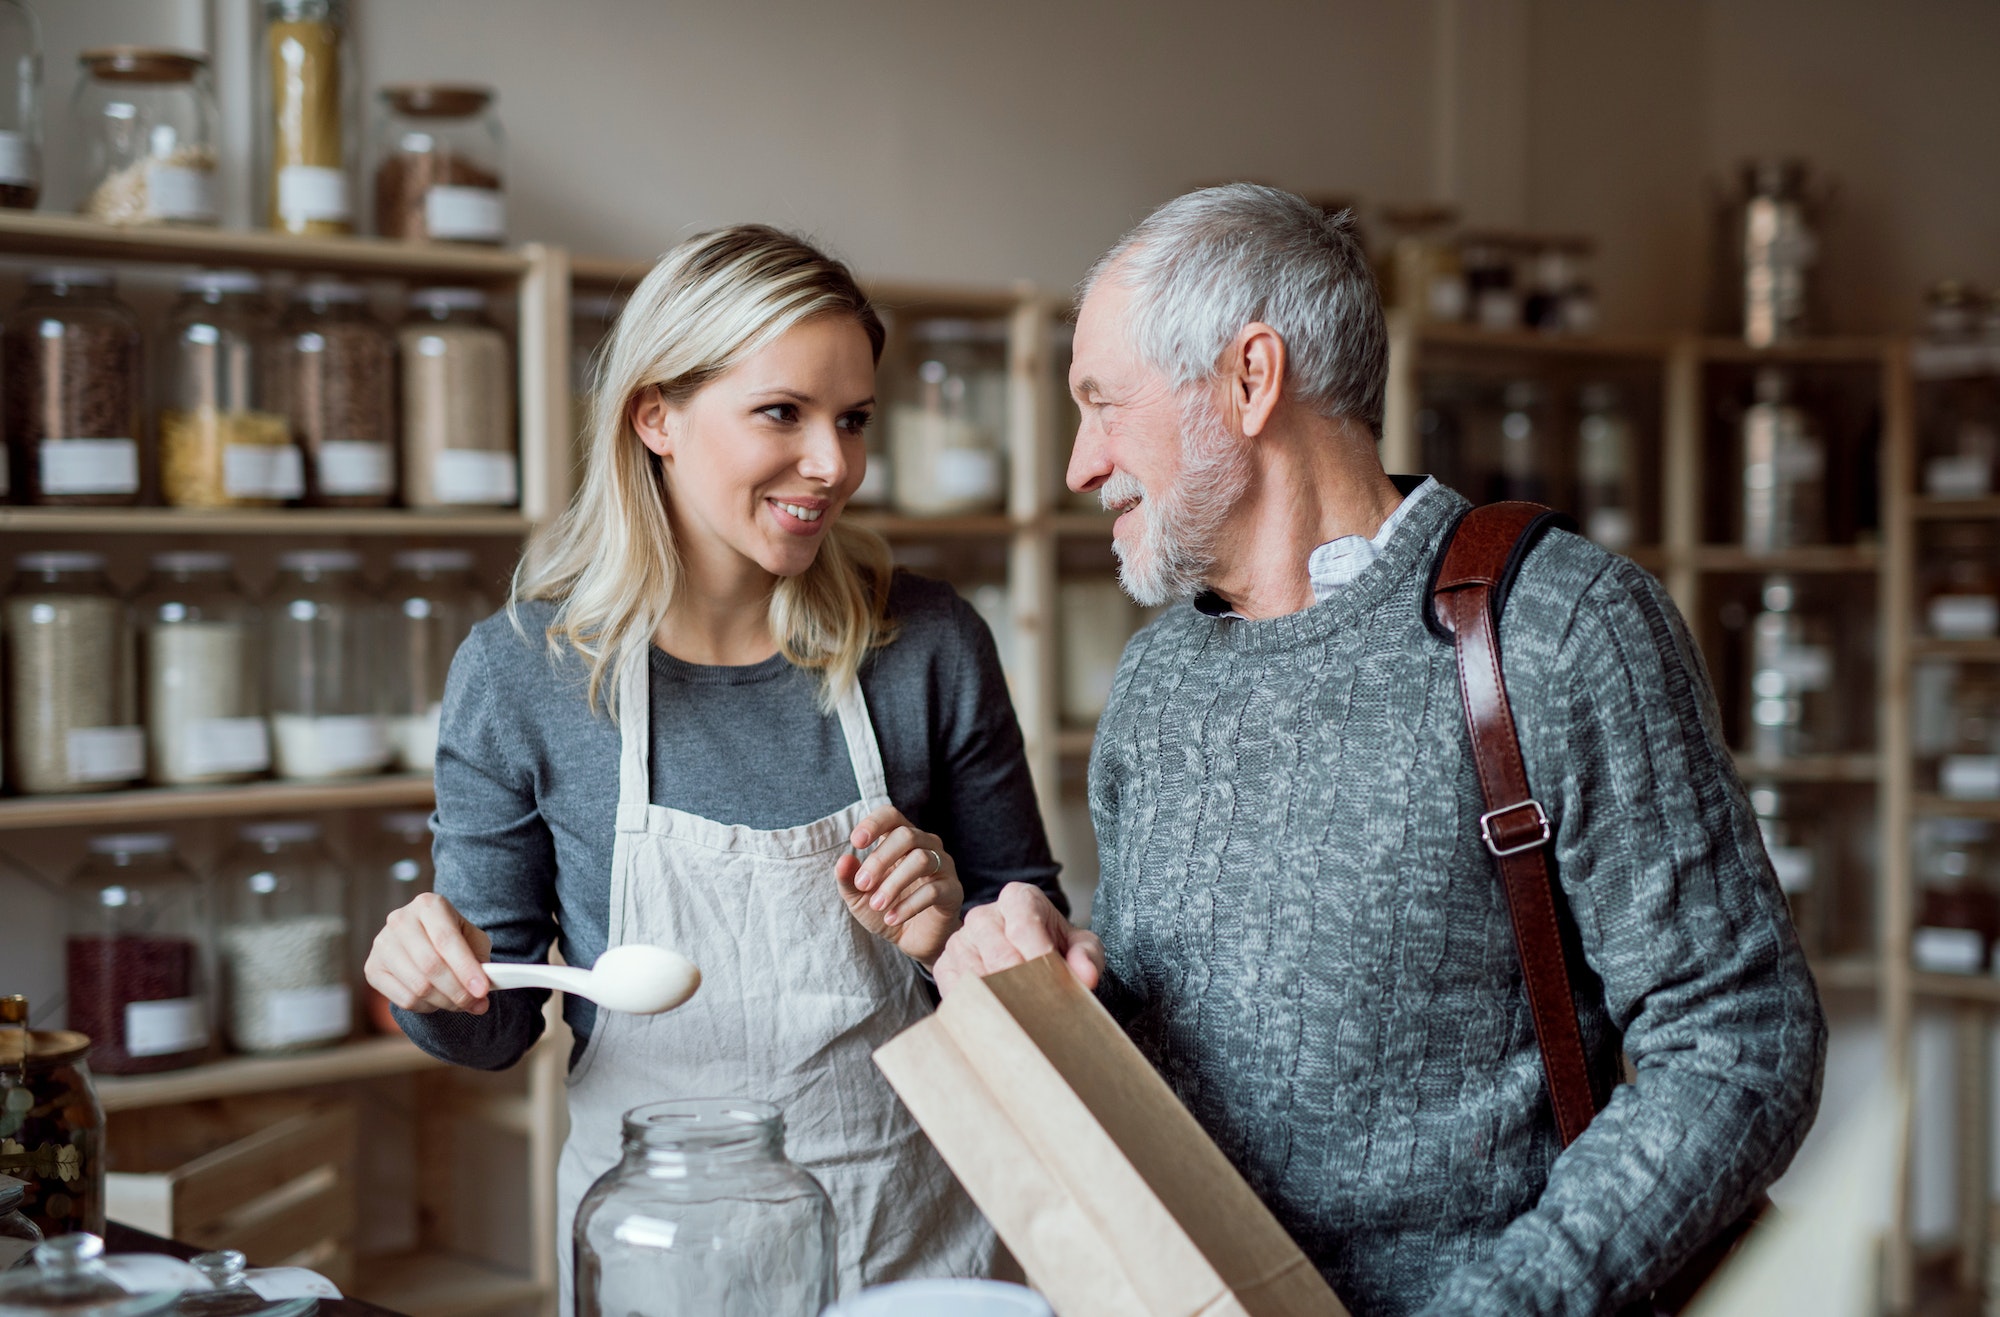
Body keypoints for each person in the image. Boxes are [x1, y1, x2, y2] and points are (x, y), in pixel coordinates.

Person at [932, 185, 1827, 1317]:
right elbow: (1184, 1032)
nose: (1078, 463)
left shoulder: (1557, 629)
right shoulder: (1158, 683)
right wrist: (1049, 974)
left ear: (1249, 379)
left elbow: (1739, 1044)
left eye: (1101, 403)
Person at [364, 224, 1062, 1306]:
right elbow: (495, 1024)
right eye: (781, 413)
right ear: (657, 417)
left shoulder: (926, 644)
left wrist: (954, 928)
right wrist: (430, 973)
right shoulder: (523, 675)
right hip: (654, 1249)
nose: (832, 465)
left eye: (852, 420)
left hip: (907, 1245)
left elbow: (1034, 956)